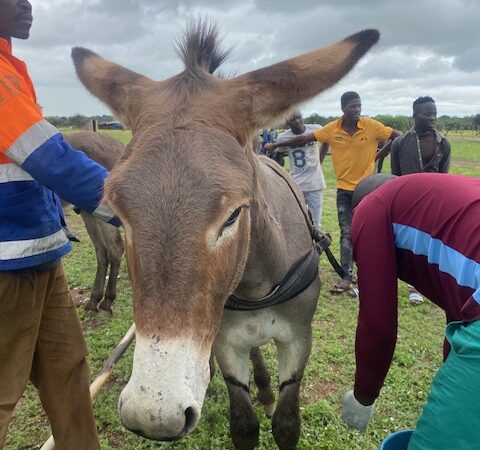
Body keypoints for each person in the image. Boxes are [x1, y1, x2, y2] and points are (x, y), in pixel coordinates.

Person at [0, 1, 119, 448]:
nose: (26, 5)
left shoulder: (11, 69)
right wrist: (136, 208)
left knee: (69, 372)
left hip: (41, 257)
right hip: (8, 267)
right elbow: (51, 157)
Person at [341, 173, 480, 450]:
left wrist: (362, 398)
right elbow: (461, 310)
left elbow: (377, 326)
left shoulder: (372, 208)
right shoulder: (450, 202)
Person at [265, 92, 400, 295]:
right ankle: (346, 276)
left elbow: (397, 137)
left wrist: (380, 154)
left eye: (359, 106)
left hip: (369, 191)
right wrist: (275, 144)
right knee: (347, 234)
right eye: (353, 106)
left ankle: (371, 275)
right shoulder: (332, 129)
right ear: (343, 108)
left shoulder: (372, 127)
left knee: (371, 235)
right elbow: (303, 139)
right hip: (344, 190)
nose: (357, 110)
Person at [390, 96, 451, 306]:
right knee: (404, 244)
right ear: (415, 115)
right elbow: (395, 177)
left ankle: (417, 287)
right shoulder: (399, 143)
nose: (432, 117)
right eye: (427, 113)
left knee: (427, 246)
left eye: (434, 113)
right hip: (407, 204)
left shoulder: (444, 144)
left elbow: (443, 177)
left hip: (432, 204)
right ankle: (401, 281)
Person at [274, 111, 326, 229]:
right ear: (286, 122)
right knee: (295, 219)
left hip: (315, 183)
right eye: (292, 119)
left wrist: (320, 160)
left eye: (298, 117)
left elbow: (326, 142)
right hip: (295, 183)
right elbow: (279, 160)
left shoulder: (316, 129)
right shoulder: (283, 137)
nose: (297, 121)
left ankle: (315, 246)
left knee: (316, 223)